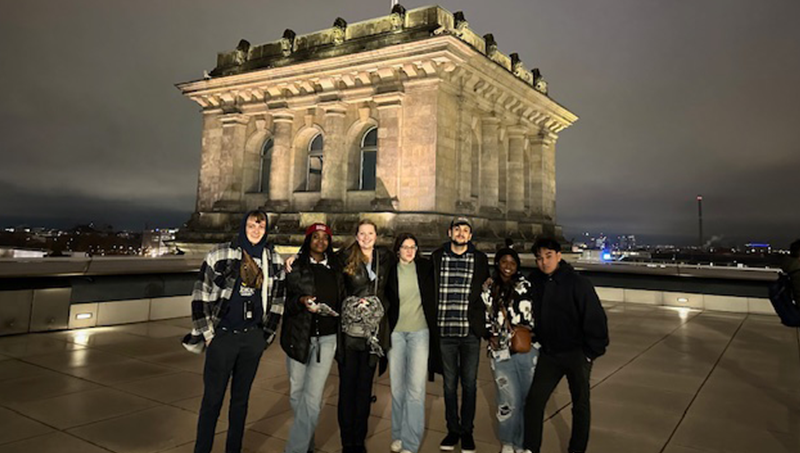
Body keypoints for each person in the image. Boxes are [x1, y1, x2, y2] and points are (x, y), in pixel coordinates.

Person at [189, 210, 286, 453]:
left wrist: (265, 337)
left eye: (261, 226)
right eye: (252, 225)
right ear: (244, 226)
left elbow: (278, 300)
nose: (256, 230)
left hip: (252, 338)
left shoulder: (272, 258)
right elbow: (200, 295)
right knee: (212, 401)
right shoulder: (220, 253)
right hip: (222, 337)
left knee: (240, 402)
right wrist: (209, 336)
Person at [523, 238, 609, 453]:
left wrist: (590, 353)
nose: (544, 262)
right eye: (539, 258)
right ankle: (530, 449)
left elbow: (596, 318)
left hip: (576, 353)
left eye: (548, 256)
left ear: (559, 256)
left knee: (580, 406)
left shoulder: (578, 283)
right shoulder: (536, 281)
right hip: (550, 353)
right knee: (534, 402)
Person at [281, 223, 344, 453]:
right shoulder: (295, 266)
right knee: (297, 393)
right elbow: (285, 303)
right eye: (315, 237)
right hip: (298, 336)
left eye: (325, 238)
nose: (320, 241)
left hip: (326, 339)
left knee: (313, 397)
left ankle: (295, 449)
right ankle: (307, 443)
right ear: (308, 240)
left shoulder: (336, 267)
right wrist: (300, 301)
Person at [430, 217, 490, 453]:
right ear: (449, 232)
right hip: (445, 331)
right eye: (458, 229)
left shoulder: (479, 259)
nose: (461, 233)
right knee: (448, 386)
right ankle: (452, 430)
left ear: (470, 236)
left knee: (470, 385)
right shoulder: (437, 257)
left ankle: (467, 432)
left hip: (469, 333)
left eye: (466, 230)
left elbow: (486, 290)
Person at [336, 219, 393, 453]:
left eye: (370, 233)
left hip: (373, 334)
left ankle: (358, 441)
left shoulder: (384, 259)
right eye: (362, 233)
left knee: (364, 389)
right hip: (350, 334)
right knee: (347, 388)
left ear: (376, 236)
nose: (366, 237)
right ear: (356, 236)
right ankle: (347, 441)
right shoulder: (345, 257)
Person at [385, 233, 437, 453]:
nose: (409, 251)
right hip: (395, 333)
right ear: (397, 249)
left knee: (415, 390)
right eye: (405, 247)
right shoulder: (388, 269)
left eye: (413, 247)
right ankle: (398, 434)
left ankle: (411, 443)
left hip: (419, 333)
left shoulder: (425, 267)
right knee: (397, 389)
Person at [482, 248, 537, 453]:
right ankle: (507, 441)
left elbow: (536, 314)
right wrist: (489, 335)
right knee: (507, 399)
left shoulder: (527, 286)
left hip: (527, 349)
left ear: (517, 265)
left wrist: (534, 334)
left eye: (512, 262)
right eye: (503, 261)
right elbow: (484, 316)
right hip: (501, 351)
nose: (507, 266)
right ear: (497, 263)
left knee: (526, 399)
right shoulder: (488, 288)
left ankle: (522, 443)